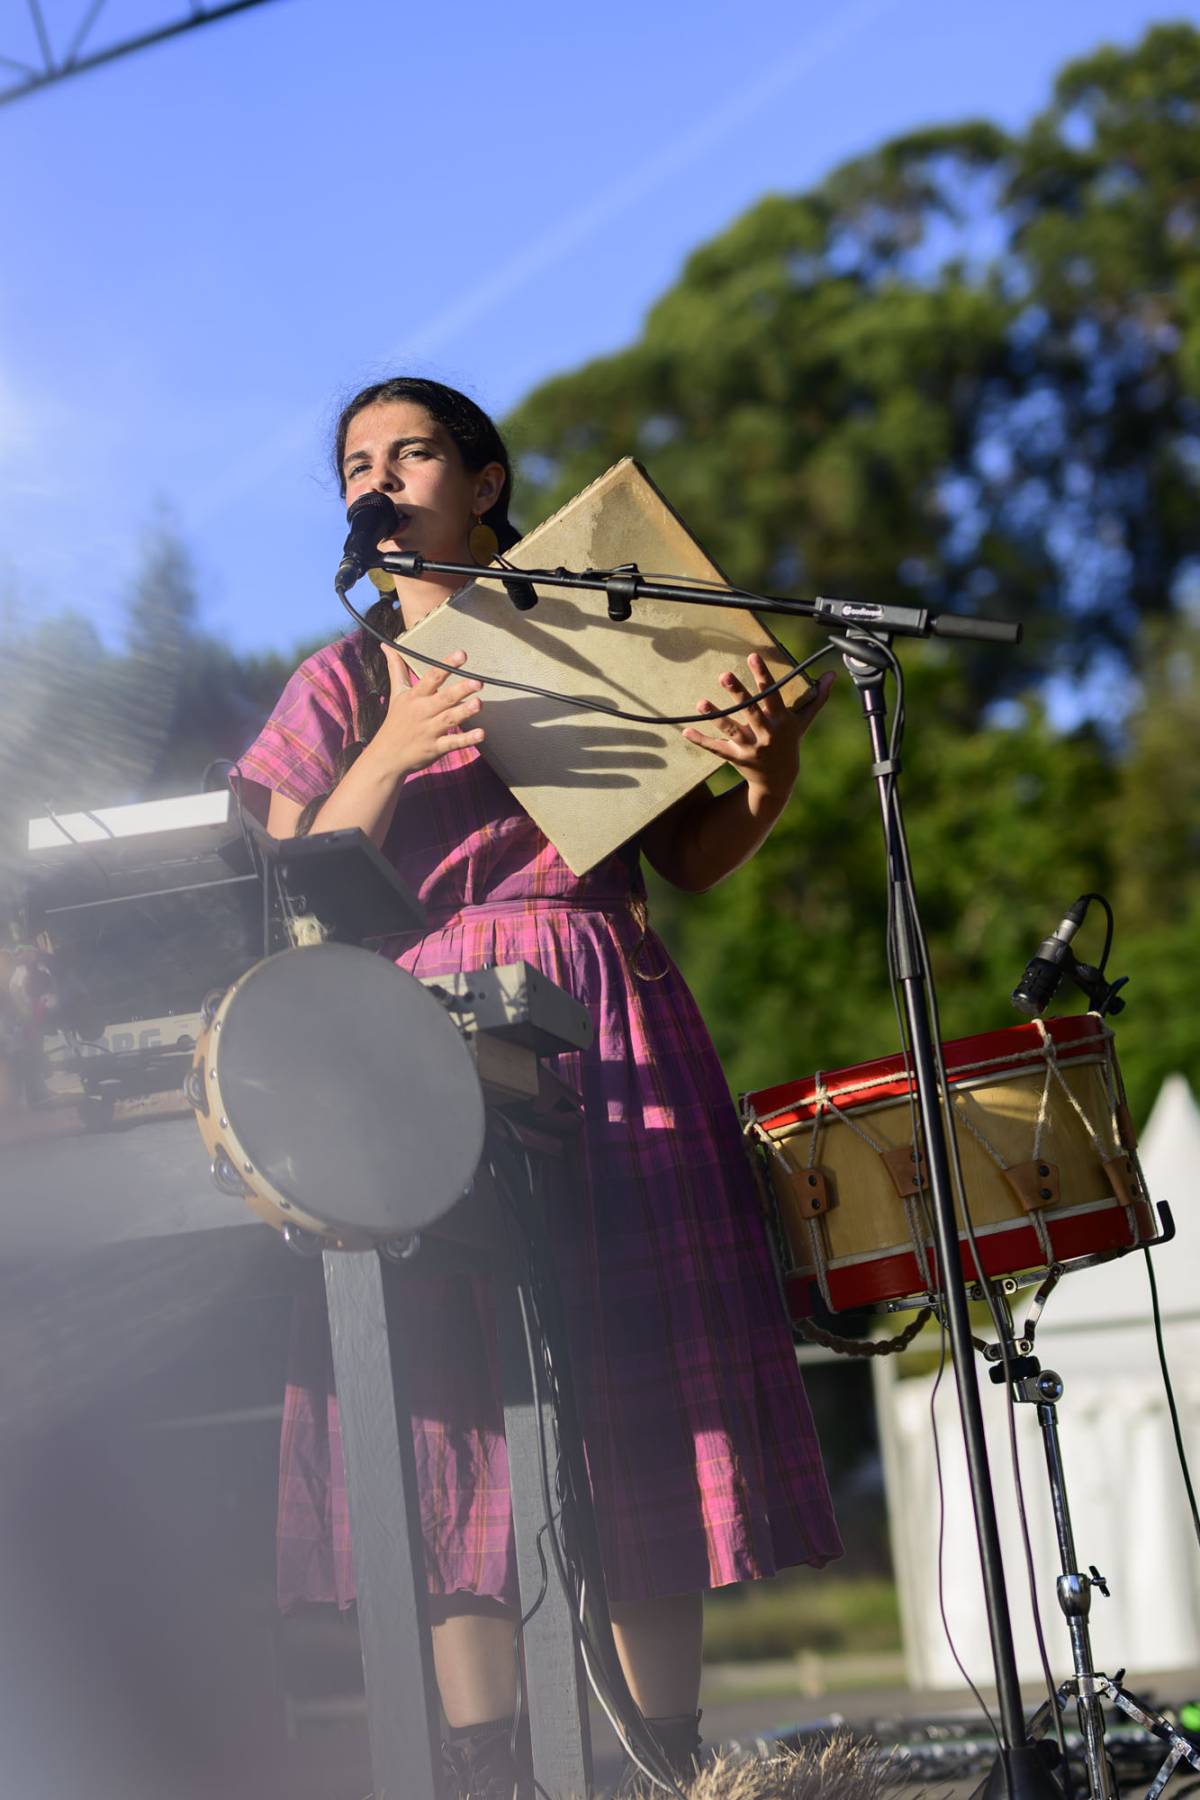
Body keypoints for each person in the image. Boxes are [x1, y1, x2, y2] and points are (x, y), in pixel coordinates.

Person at [236, 377, 842, 1799]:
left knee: (643, 1389)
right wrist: (392, 745)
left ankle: (673, 1768)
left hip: (610, 1013)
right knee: (448, 1405)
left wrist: (768, 774)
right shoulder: (338, 681)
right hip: (420, 1048)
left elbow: (686, 857)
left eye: (410, 452)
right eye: (353, 464)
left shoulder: (592, 634)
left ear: (487, 481)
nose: (375, 479)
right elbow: (276, 884)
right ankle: (484, 1771)